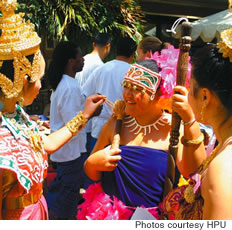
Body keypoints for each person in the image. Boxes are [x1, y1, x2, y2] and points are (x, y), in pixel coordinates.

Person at [0, 0, 105, 220]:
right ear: (21, 80)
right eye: (38, 79)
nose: (41, 86)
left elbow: (45, 144)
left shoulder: (16, 115)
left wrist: (84, 116)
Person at [77, 55, 204, 219]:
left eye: (137, 89)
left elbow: (193, 171)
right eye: (126, 86)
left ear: (159, 93)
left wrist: (188, 120)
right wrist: (93, 163)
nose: (128, 94)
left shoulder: (174, 129)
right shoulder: (115, 124)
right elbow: (92, 173)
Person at [169, 31, 232, 219]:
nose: (187, 93)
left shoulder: (223, 167)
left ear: (204, 96)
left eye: (191, 86)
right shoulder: (221, 142)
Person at [45, 41, 101, 220]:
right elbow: (73, 125)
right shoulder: (70, 86)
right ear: (71, 61)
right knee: (67, 201)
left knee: (63, 192)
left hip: (66, 152)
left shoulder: (66, 83)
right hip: (70, 152)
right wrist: (90, 114)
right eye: (79, 58)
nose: (83, 60)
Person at [82, 36, 137, 151]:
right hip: (124, 130)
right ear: (132, 55)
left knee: (95, 165)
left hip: (99, 128)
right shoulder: (133, 73)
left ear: (115, 51)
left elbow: (86, 94)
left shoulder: (101, 69)